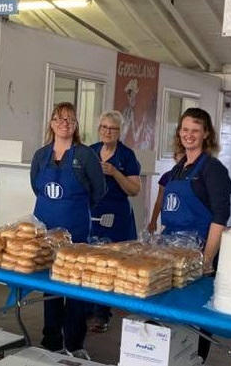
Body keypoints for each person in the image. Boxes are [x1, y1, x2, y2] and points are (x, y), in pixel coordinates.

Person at [31, 102, 106, 360]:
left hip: (76, 232)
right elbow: (35, 186)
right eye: (60, 119)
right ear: (51, 123)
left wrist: (75, 208)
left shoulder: (85, 155)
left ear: (75, 126)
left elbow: (99, 190)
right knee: (50, 287)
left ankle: (74, 343)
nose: (65, 123)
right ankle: (51, 339)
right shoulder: (41, 155)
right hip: (45, 233)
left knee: (74, 286)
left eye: (70, 119)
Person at [160, 107, 231, 362]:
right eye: (185, 130)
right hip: (171, 252)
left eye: (195, 131)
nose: (189, 135)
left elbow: (220, 219)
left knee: (195, 316)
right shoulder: (179, 168)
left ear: (206, 134)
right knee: (171, 313)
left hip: (199, 254)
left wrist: (207, 259)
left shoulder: (213, 170)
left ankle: (195, 360)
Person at [89, 110, 141, 332]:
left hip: (116, 217)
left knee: (110, 264)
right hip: (91, 214)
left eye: (112, 128)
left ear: (120, 132)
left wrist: (114, 172)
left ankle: (103, 314)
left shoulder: (127, 156)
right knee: (90, 261)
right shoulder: (90, 151)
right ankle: (85, 308)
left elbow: (134, 190)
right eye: (103, 127)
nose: (107, 132)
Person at [146, 151, 184, 234]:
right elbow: (159, 201)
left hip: (185, 223)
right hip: (168, 223)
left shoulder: (193, 177)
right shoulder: (166, 177)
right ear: (175, 157)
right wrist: (153, 221)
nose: (183, 157)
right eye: (181, 153)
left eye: (186, 154)